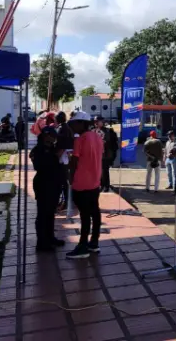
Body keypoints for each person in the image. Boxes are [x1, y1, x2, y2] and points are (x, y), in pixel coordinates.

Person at [67, 111, 103, 259]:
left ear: (82, 123)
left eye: (74, 123)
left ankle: (82, 246)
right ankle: (93, 242)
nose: (72, 127)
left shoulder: (80, 140)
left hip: (81, 183)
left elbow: (74, 162)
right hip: (95, 181)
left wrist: (69, 176)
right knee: (95, 211)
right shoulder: (97, 137)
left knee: (85, 215)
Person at [30, 127, 65, 251]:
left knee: (50, 213)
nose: (54, 139)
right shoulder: (38, 149)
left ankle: (50, 238)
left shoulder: (51, 147)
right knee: (43, 214)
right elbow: (40, 166)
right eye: (52, 136)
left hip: (53, 184)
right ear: (46, 136)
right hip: (44, 184)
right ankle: (42, 243)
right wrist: (55, 157)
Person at [56, 111, 75, 209]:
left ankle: (66, 202)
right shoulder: (66, 127)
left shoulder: (63, 128)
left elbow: (62, 144)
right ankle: (65, 201)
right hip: (66, 156)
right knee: (64, 182)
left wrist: (58, 155)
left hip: (64, 157)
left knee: (64, 182)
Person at [93, 116, 114, 193]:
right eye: (95, 121)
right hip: (95, 154)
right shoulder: (93, 130)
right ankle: (100, 184)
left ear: (102, 122)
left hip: (105, 154)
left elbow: (108, 142)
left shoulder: (107, 131)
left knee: (105, 171)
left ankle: (106, 186)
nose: (96, 122)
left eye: (97, 121)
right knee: (97, 171)